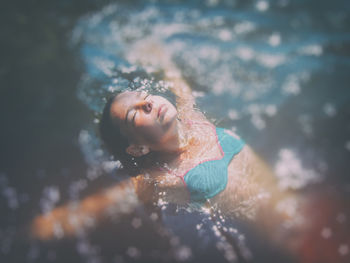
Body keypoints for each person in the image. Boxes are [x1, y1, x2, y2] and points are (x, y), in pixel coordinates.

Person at [31, 40, 350, 263]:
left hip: (311, 207)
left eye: (145, 96)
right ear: (138, 147)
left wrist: (162, 56)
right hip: (296, 242)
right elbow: (102, 205)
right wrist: (45, 227)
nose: (148, 102)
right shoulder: (159, 179)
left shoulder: (193, 119)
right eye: (135, 114)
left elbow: (180, 86)